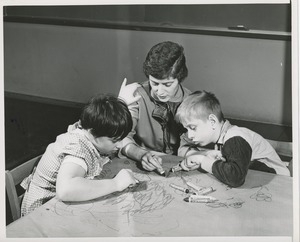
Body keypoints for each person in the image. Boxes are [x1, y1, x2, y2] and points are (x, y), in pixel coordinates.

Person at [21, 94, 138, 216]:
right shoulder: (78, 148)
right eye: (115, 140)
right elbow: (66, 190)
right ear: (92, 132)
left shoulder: (87, 129)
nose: (120, 145)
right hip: (43, 212)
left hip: (58, 206)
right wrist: (116, 183)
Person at [175, 91, 290, 188]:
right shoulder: (225, 136)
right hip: (260, 178)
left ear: (212, 121)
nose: (189, 135)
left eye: (192, 128)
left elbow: (235, 177)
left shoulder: (234, 138)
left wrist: (202, 160)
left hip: (281, 182)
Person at [118, 41, 191, 174]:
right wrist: (141, 154)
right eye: (155, 83)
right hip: (140, 163)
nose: (160, 91)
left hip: (179, 167)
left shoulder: (192, 102)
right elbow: (121, 137)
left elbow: (191, 146)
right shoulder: (136, 95)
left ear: (179, 78)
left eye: (167, 84)